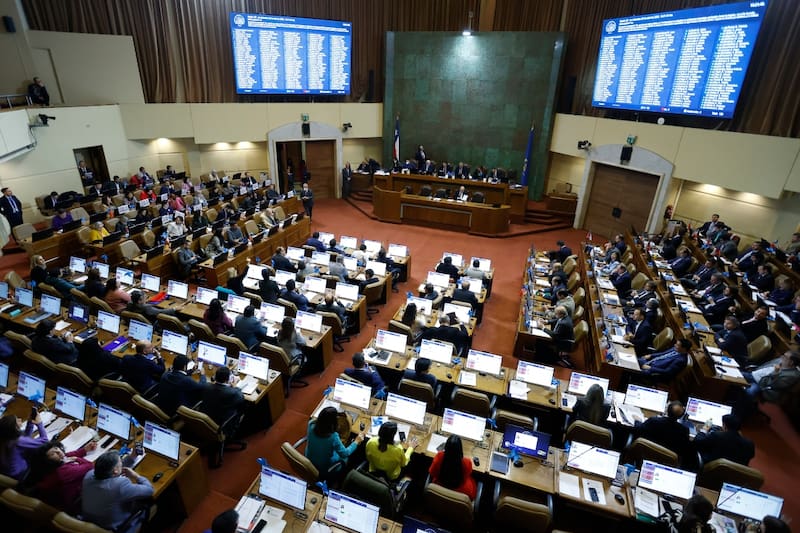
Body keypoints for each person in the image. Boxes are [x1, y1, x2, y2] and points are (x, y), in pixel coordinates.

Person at [81, 451, 154, 533]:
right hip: (113, 527)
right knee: (151, 503)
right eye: (120, 462)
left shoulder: (89, 474)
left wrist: (131, 457)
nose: (121, 463)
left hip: (89, 520)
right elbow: (149, 490)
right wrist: (136, 476)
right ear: (115, 471)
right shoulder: (120, 486)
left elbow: (114, 469)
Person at [29, 440, 97, 513]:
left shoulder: (55, 464)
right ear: (47, 461)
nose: (58, 451)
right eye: (53, 453)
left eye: (56, 448)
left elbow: (66, 455)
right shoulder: (62, 472)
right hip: (71, 504)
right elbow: (89, 466)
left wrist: (84, 450)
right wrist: (77, 459)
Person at [305, 406, 364, 478]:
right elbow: (345, 454)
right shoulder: (333, 437)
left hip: (309, 458)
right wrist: (356, 441)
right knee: (345, 458)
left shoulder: (311, 424)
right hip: (324, 467)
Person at [739, 351, 800, 417]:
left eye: (785, 356)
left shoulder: (792, 375)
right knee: (732, 373)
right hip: (753, 375)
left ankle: (739, 413)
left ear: (791, 362)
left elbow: (774, 384)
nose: (782, 357)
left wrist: (775, 373)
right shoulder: (780, 361)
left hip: (761, 385)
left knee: (749, 393)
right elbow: (764, 366)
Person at [0, 412, 49, 479]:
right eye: (17, 420)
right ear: (14, 427)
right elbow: (45, 441)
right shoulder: (18, 441)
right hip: (19, 474)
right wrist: (39, 424)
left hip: (6, 470)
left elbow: (26, 439)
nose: (20, 419)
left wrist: (30, 423)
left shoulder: (6, 436)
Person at [428, 435, 477, 500]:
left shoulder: (439, 457)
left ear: (446, 447)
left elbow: (432, 472)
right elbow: (467, 475)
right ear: (460, 448)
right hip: (461, 491)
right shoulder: (467, 462)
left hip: (440, 486)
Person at [200, 366, 245, 435]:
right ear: (228, 379)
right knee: (243, 408)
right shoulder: (233, 393)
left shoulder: (206, 386)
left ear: (215, 377)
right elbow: (241, 398)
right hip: (221, 424)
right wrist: (235, 386)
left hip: (205, 420)